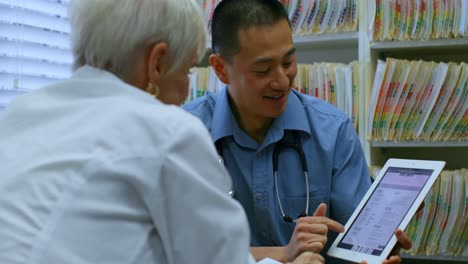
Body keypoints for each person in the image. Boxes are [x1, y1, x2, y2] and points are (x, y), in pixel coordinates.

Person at [0, 0, 325, 264]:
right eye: (185, 70)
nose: (186, 91)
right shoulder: (169, 133)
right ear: (156, 64)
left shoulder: (21, 113)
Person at [183, 0, 412, 263]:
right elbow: (183, 249)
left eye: (288, 61)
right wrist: (284, 254)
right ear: (221, 69)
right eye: (263, 70)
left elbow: (357, 243)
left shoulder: (333, 131)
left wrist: (380, 249)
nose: (282, 81)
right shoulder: (187, 133)